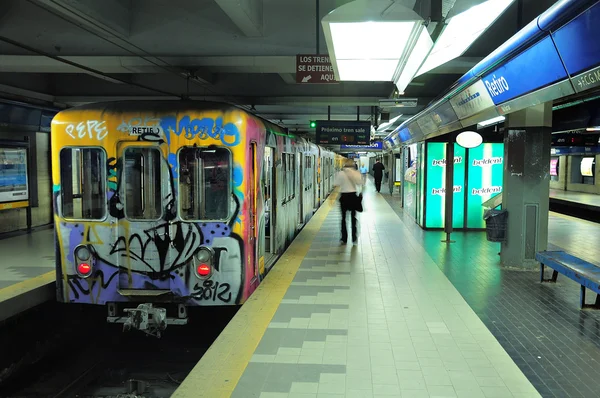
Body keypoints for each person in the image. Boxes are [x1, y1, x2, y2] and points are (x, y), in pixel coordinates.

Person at [334, 159, 363, 244]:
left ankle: (344, 238)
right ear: (353, 165)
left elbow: (336, 184)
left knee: (343, 218)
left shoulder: (340, 173)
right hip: (353, 196)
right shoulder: (356, 173)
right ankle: (354, 237)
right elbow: (360, 183)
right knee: (353, 217)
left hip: (344, 197)